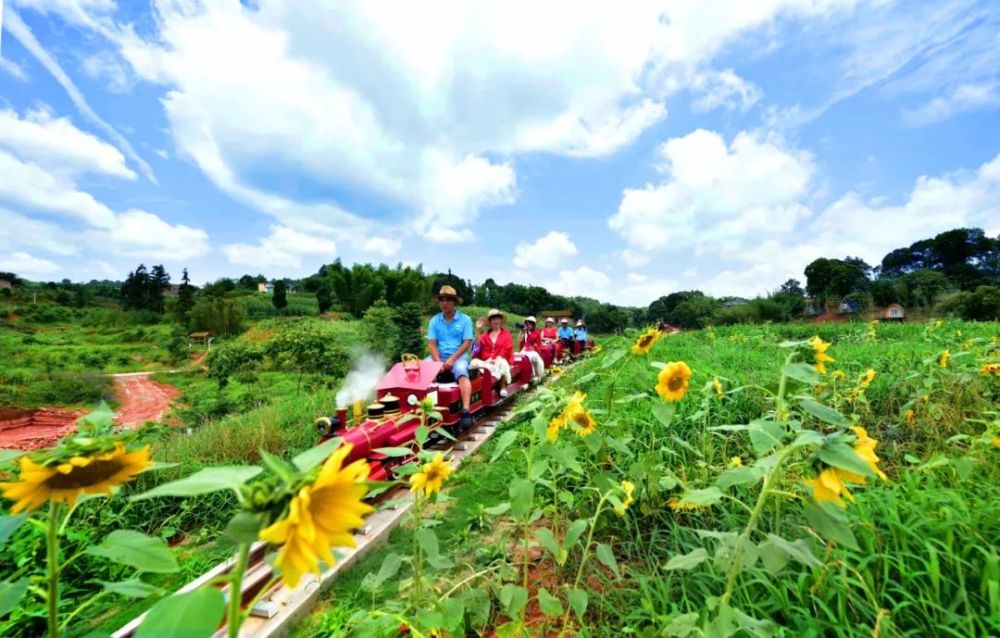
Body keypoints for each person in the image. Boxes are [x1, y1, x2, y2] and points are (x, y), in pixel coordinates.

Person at [426, 285, 474, 429]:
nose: (444, 303)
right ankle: (428, 408)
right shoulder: (434, 320)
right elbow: (432, 343)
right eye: (441, 300)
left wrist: (452, 360)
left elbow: (467, 343)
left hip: (458, 356)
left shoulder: (465, 320)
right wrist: (437, 362)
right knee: (424, 370)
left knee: (461, 371)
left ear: (454, 303)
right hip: (438, 356)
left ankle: (466, 410)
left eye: (448, 300)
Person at [471, 308, 514, 397]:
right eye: (493, 319)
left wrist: (495, 359)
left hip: (500, 360)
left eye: (498, 318)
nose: (496, 321)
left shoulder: (506, 334)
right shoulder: (485, 335)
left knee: (501, 362)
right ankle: (479, 387)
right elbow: (477, 348)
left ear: (501, 320)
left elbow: (507, 349)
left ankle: (503, 386)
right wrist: (478, 330)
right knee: (473, 362)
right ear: (490, 322)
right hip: (487, 361)